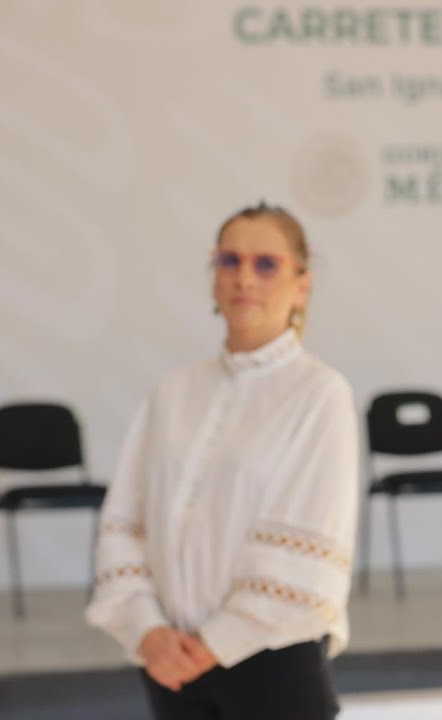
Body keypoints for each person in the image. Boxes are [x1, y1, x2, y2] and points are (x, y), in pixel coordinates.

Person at [86, 203, 358, 720]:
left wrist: (215, 644)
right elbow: (124, 524)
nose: (244, 278)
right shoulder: (172, 392)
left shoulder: (319, 395)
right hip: (169, 661)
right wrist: (147, 630)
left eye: (266, 264)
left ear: (302, 285)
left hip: (271, 660)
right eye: (229, 261)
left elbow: (310, 548)